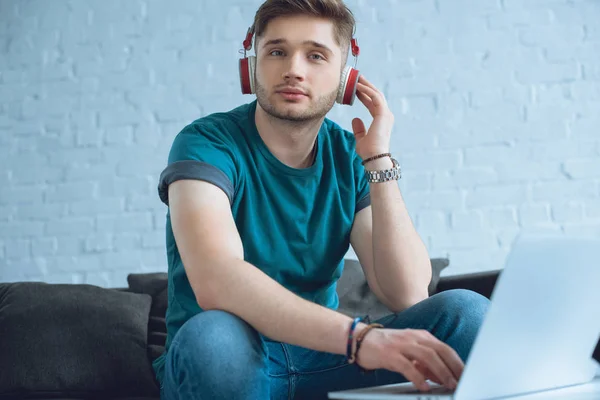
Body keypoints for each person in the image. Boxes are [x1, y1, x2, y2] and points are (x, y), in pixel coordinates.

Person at [153, 0, 490, 398]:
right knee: (212, 339)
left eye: (315, 55)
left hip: (327, 355)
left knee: (467, 314)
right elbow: (217, 281)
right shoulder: (206, 143)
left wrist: (377, 160)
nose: (294, 68)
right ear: (252, 65)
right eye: (277, 51)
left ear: (346, 78)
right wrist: (359, 339)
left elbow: (407, 293)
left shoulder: (348, 156)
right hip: (235, 359)